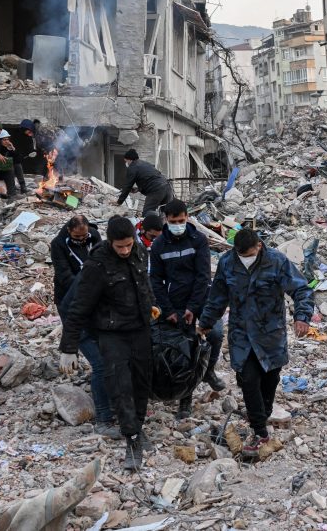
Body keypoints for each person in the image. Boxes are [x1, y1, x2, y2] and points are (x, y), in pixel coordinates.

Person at [198, 228, 314, 460]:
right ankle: (260, 430)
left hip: (270, 333)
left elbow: (301, 288)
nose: (246, 258)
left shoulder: (277, 261)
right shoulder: (228, 263)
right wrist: (207, 322)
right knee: (248, 379)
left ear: (259, 245)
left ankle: (263, 413)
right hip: (242, 334)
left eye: (250, 254)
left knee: (270, 378)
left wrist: (302, 316)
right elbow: (218, 295)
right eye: (242, 255)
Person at [60, 216, 155, 471]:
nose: (125, 251)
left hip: (140, 329)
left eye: (128, 246)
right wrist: (68, 348)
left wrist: (152, 307)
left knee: (142, 383)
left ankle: (138, 426)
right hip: (112, 333)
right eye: (119, 247)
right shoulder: (97, 265)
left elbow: (144, 286)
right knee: (120, 385)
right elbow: (78, 307)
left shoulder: (140, 252)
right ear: (110, 242)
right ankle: (132, 440)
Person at [148, 200, 223, 420]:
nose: (178, 224)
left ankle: (208, 370)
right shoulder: (160, 245)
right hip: (173, 303)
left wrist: (193, 307)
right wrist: (169, 310)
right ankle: (185, 398)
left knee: (216, 334)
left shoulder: (198, 239)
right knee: (184, 346)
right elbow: (156, 280)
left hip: (199, 299)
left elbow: (203, 277)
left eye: (182, 220)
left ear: (187, 216)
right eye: (174, 222)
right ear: (166, 220)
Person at [51, 216, 120, 439]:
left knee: (110, 362)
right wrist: (68, 348)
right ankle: (103, 417)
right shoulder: (60, 246)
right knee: (100, 365)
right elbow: (71, 312)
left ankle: (112, 403)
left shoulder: (99, 248)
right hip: (77, 312)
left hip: (94, 315)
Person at [117, 149, 174, 216]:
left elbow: (128, 186)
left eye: (126, 161)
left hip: (156, 190)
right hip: (167, 188)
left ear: (129, 159)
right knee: (167, 214)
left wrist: (119, 202)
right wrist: (138, 189)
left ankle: (151, 226)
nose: (126, 163)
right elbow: (150, 178)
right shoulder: (144, 163)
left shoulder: (132, 167)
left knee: (147, 213)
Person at [0, 128, 28, 198]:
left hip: (5, 170)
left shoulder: (8, 148)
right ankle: (12, 194)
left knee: (17, 165)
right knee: (10, 167)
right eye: (4, 140)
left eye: (8, 139)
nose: (7, 141)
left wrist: (12, 149)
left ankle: (23, 186)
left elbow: (18, 160)